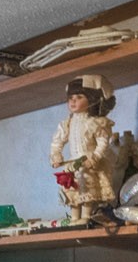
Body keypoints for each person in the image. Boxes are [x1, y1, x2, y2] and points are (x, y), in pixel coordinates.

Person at [49, 74, 124, 223]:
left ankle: (86, 216)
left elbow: (103, 142)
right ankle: (74, 217)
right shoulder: (67, 124)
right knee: (73, 189)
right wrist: (56, 156)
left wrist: (94, 157)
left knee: (87, 187)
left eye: (79, 97)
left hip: (88, 162)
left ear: (92, 99)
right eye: (70, 98)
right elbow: (57, 141)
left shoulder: (95, 122)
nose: (73, 101)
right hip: (73, 163)